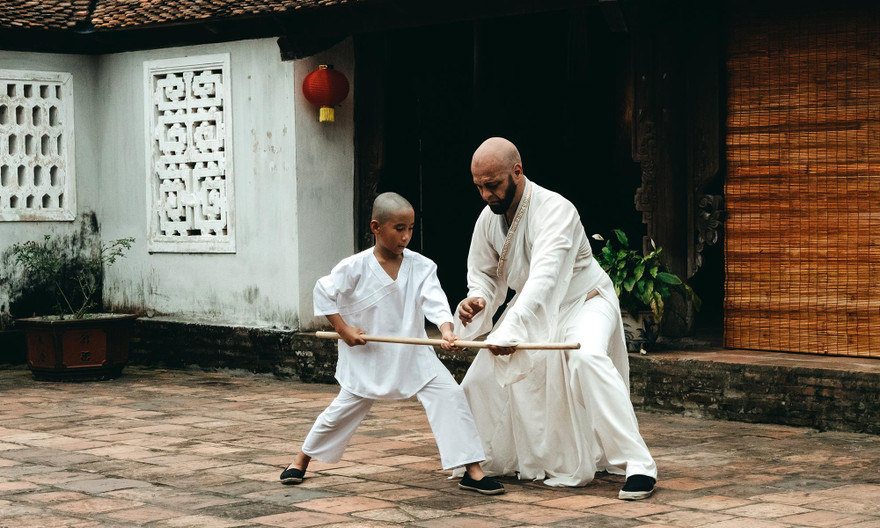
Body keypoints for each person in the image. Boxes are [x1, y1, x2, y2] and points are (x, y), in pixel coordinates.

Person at [454, 137, 658, 499]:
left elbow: (545, 277)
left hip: (584, 301)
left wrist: (511, 328)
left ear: (517, 171)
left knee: (587, 358)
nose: (486, 195)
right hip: (531, 307)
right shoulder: (489, 218)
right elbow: (484, 273)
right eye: (479, 187)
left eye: (493, 185)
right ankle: (474, 463)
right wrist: (478, 299)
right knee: (478, 381)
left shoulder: (556, 209)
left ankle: (638, 464)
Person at [280, 192, 504, 495]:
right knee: (341, 412)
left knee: (450, 396)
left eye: (410, 228)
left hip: (413, 355)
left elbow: (435, 301)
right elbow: (323, 291)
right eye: (399, 228)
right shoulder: (354, 266)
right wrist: (343, 329)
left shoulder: (422, 266)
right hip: (368, 356)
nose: (406, 236)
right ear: (376, 227)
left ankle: (473, 471)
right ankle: (302, 459)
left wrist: (447, 331)